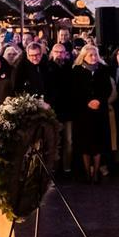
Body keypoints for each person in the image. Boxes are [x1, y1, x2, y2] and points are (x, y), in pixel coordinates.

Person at [71, 44, 114, 184]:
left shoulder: (103, 70)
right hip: (83, 113)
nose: (94, 57)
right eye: (90, 55)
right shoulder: (76, 71)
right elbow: (74, 91)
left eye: (95, 55)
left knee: (98, 143)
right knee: (85, 143)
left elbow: (107, 89)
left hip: (99, 112)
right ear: (84, 56)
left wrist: (99, 101)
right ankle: (86, 172)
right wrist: (87, 102)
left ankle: (96, 171)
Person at [46, 43, 75, 176]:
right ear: (52, 53)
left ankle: (67, 167)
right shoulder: (47, 67)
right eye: (57, 52)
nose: (59, 54)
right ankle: (53, 168)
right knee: (54, 141)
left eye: (62, 52)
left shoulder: (70, 67)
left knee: (68, 141)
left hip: (68, 109)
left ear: (66, 54)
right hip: (53, 110)